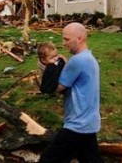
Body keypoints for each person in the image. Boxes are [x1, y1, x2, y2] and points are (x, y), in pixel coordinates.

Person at [39, 22, 104, 163]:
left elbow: (54, 89)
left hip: (77, 125)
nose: (63, 43)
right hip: (89, 123)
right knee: (90, 159)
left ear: (79, 38)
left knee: (47, 160)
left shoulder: (77, 61)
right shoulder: (89, 58)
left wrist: (47, 67)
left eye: (66, 39)